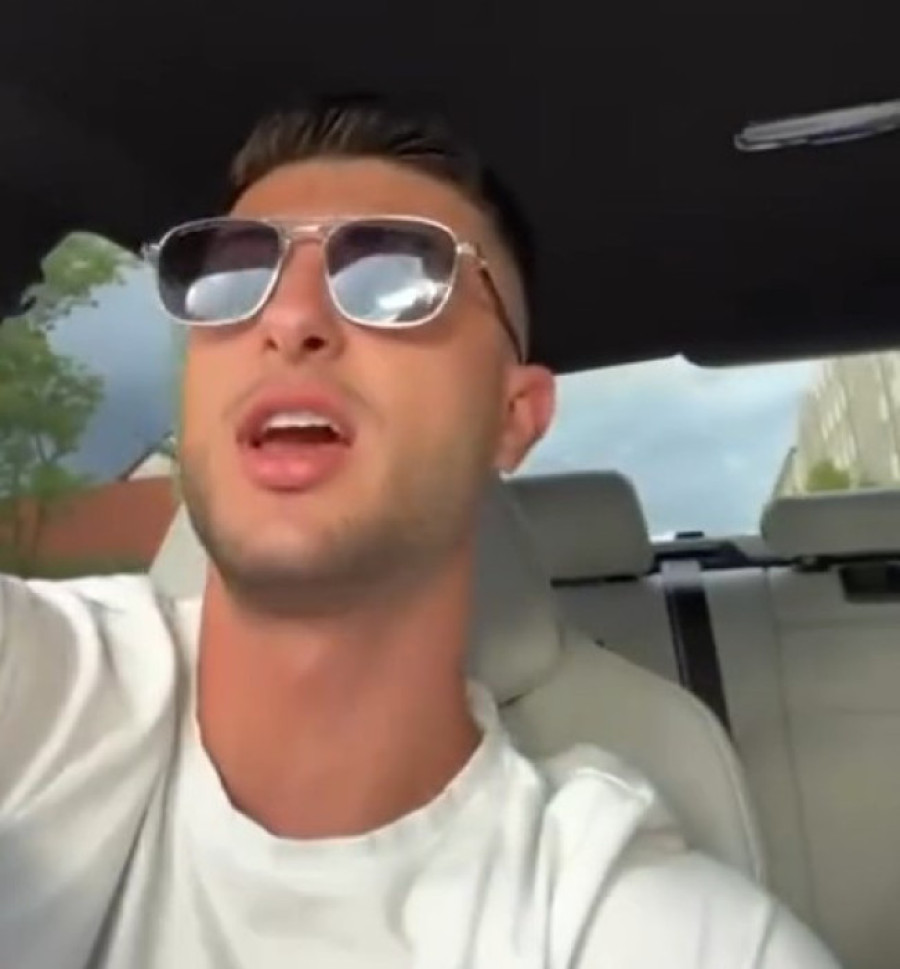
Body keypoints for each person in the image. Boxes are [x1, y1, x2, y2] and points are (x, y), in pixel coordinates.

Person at [0, 95, 840, 969]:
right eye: (236, 276)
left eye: (395, 276)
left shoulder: (650, 930)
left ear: (514, 417)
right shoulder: (43, 694)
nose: (287, 318)